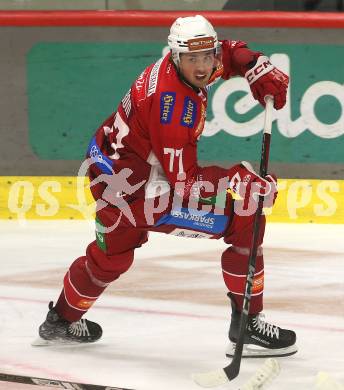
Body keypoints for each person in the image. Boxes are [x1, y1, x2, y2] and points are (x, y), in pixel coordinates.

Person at [35, 15, 297, 358]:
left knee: (111, 258)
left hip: (106, 172)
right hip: (142, 195)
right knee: (247, 219)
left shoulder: (184, 64)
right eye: (194, 59)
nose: (203, 67)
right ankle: (247, 323)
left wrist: (254, 64)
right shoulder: (174, 107)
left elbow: (227, 56)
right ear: (176, 56)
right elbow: (185, 183)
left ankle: (61, 321)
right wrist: (238, 178)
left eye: (208, 56)